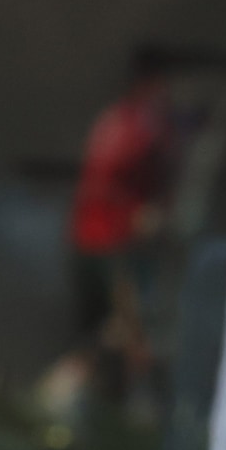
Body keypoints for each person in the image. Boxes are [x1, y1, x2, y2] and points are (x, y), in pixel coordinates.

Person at [67, 47, 177, 409]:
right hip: (112, 244)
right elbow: (110, 179)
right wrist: (138, 213)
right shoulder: (138, 125)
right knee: (130, 336)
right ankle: (125, 412)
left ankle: (97, 404)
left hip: (94, 241)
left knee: (111, 335)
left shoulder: (115, 120)